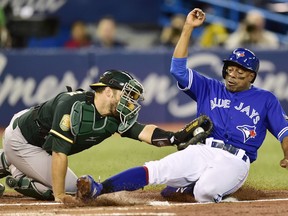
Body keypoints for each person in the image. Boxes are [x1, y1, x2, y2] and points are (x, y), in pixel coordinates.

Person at [76, 8, 288, 203]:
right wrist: (187, 28)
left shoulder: (266, 99)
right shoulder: (209, 87)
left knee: (205, 191)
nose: (232, 76)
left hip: (235, 161)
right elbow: (178, 70)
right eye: (229, 70)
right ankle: (98, 188)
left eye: (239, 73)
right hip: (202, 150)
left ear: (251, 76)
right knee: (156, 169)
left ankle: (190, 189)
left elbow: (284, 132)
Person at [0, 70, 193, 203]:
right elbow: (59, 154)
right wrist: (59, 195)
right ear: (108, 91)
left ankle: (8, 162)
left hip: (37, 138)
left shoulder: (114, 115)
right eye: (127, 95)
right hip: (23, 140)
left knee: (68, 185)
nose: (131, 103)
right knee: (68, 190)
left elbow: (143, 132)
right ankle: (11, 164)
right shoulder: (74, 107)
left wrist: (175, 137)